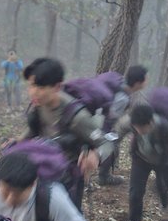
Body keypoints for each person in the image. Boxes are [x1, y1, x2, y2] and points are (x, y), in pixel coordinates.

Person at [19, 57, 115, 209]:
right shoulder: (40, 103)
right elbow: (36, 126)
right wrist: (19, 142)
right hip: (44, 167)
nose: (33, 92)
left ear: (57, 87)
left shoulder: (76, 116)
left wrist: (96, 155)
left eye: (40, 87)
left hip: (68, 177)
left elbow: (106, 142)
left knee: (67, 217)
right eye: (31, 86)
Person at [97, 65, 148, 186]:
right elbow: (108, 117)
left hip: (96, 118)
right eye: (145, 79)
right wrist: (106, 135)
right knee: (111, 144)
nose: (147, 82)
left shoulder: (121, 84)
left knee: (113, 142)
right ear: (137, 83)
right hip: (97, 122)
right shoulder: (123, 98)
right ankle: (103, 177)